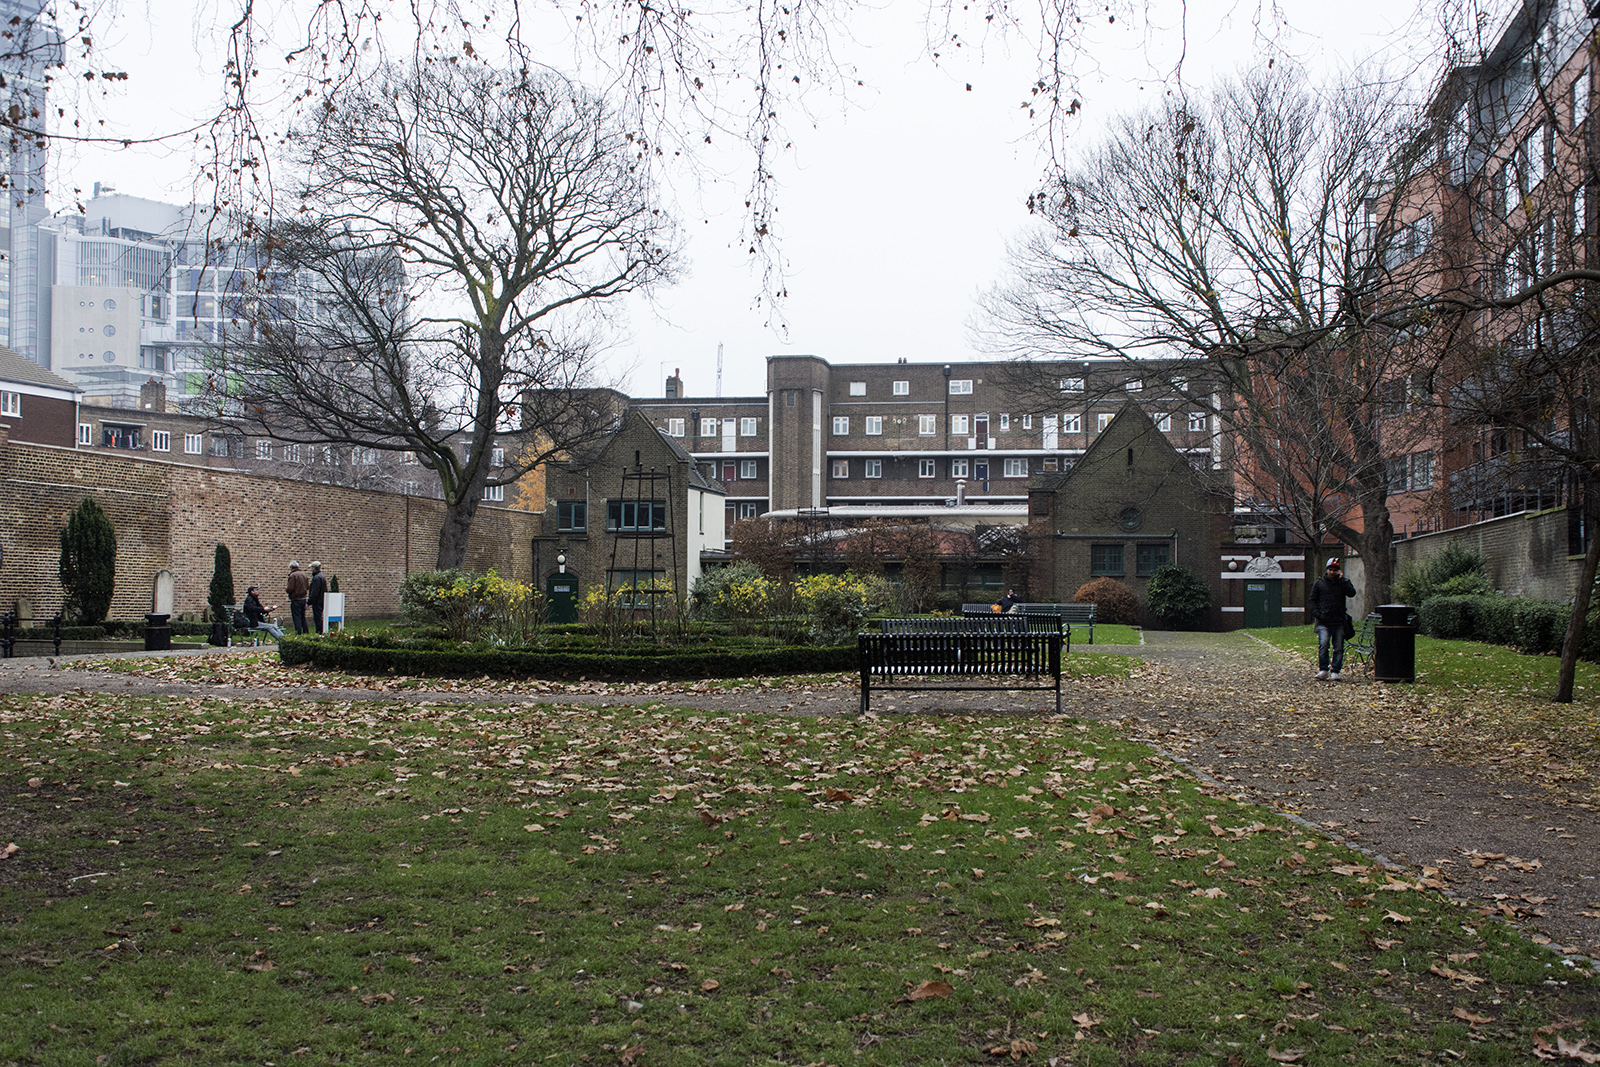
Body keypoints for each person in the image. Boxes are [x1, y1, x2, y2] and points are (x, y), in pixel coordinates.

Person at [1308, 557, 1358, 681]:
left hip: (1339, 620)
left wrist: (1343, 580)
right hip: (1324, 620)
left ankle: (1335, 670)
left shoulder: (1343, 583)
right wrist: (1318, 614)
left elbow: (1351, 593)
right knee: (1323, 645)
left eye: (1334, 570)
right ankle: (1323, 669)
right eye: (1330, 570)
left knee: (1339, 647)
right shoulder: (1319, 583)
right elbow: (1312, 600)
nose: (1332, 572)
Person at [286, 560, 311, 635]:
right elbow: (307, 586)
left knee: (297, 618)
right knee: (303, 617)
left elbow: (290, 588)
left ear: (291, 567)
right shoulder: (304, 575)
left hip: (296, 599)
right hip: (303, 598)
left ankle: (298, 633)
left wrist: (287, 591)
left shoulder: (293, 575)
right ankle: (306, 632)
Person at [308, 560, 328, 635]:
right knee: (319, 617)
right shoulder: (322, 576)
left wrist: (309, 602)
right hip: (321, 600)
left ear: (314, 568)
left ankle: (319, 632)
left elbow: (314, 592)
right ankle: (321, 632)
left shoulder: (316, 578)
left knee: (317, 618)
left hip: (317, 601)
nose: (311, 569)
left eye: (311, 567)